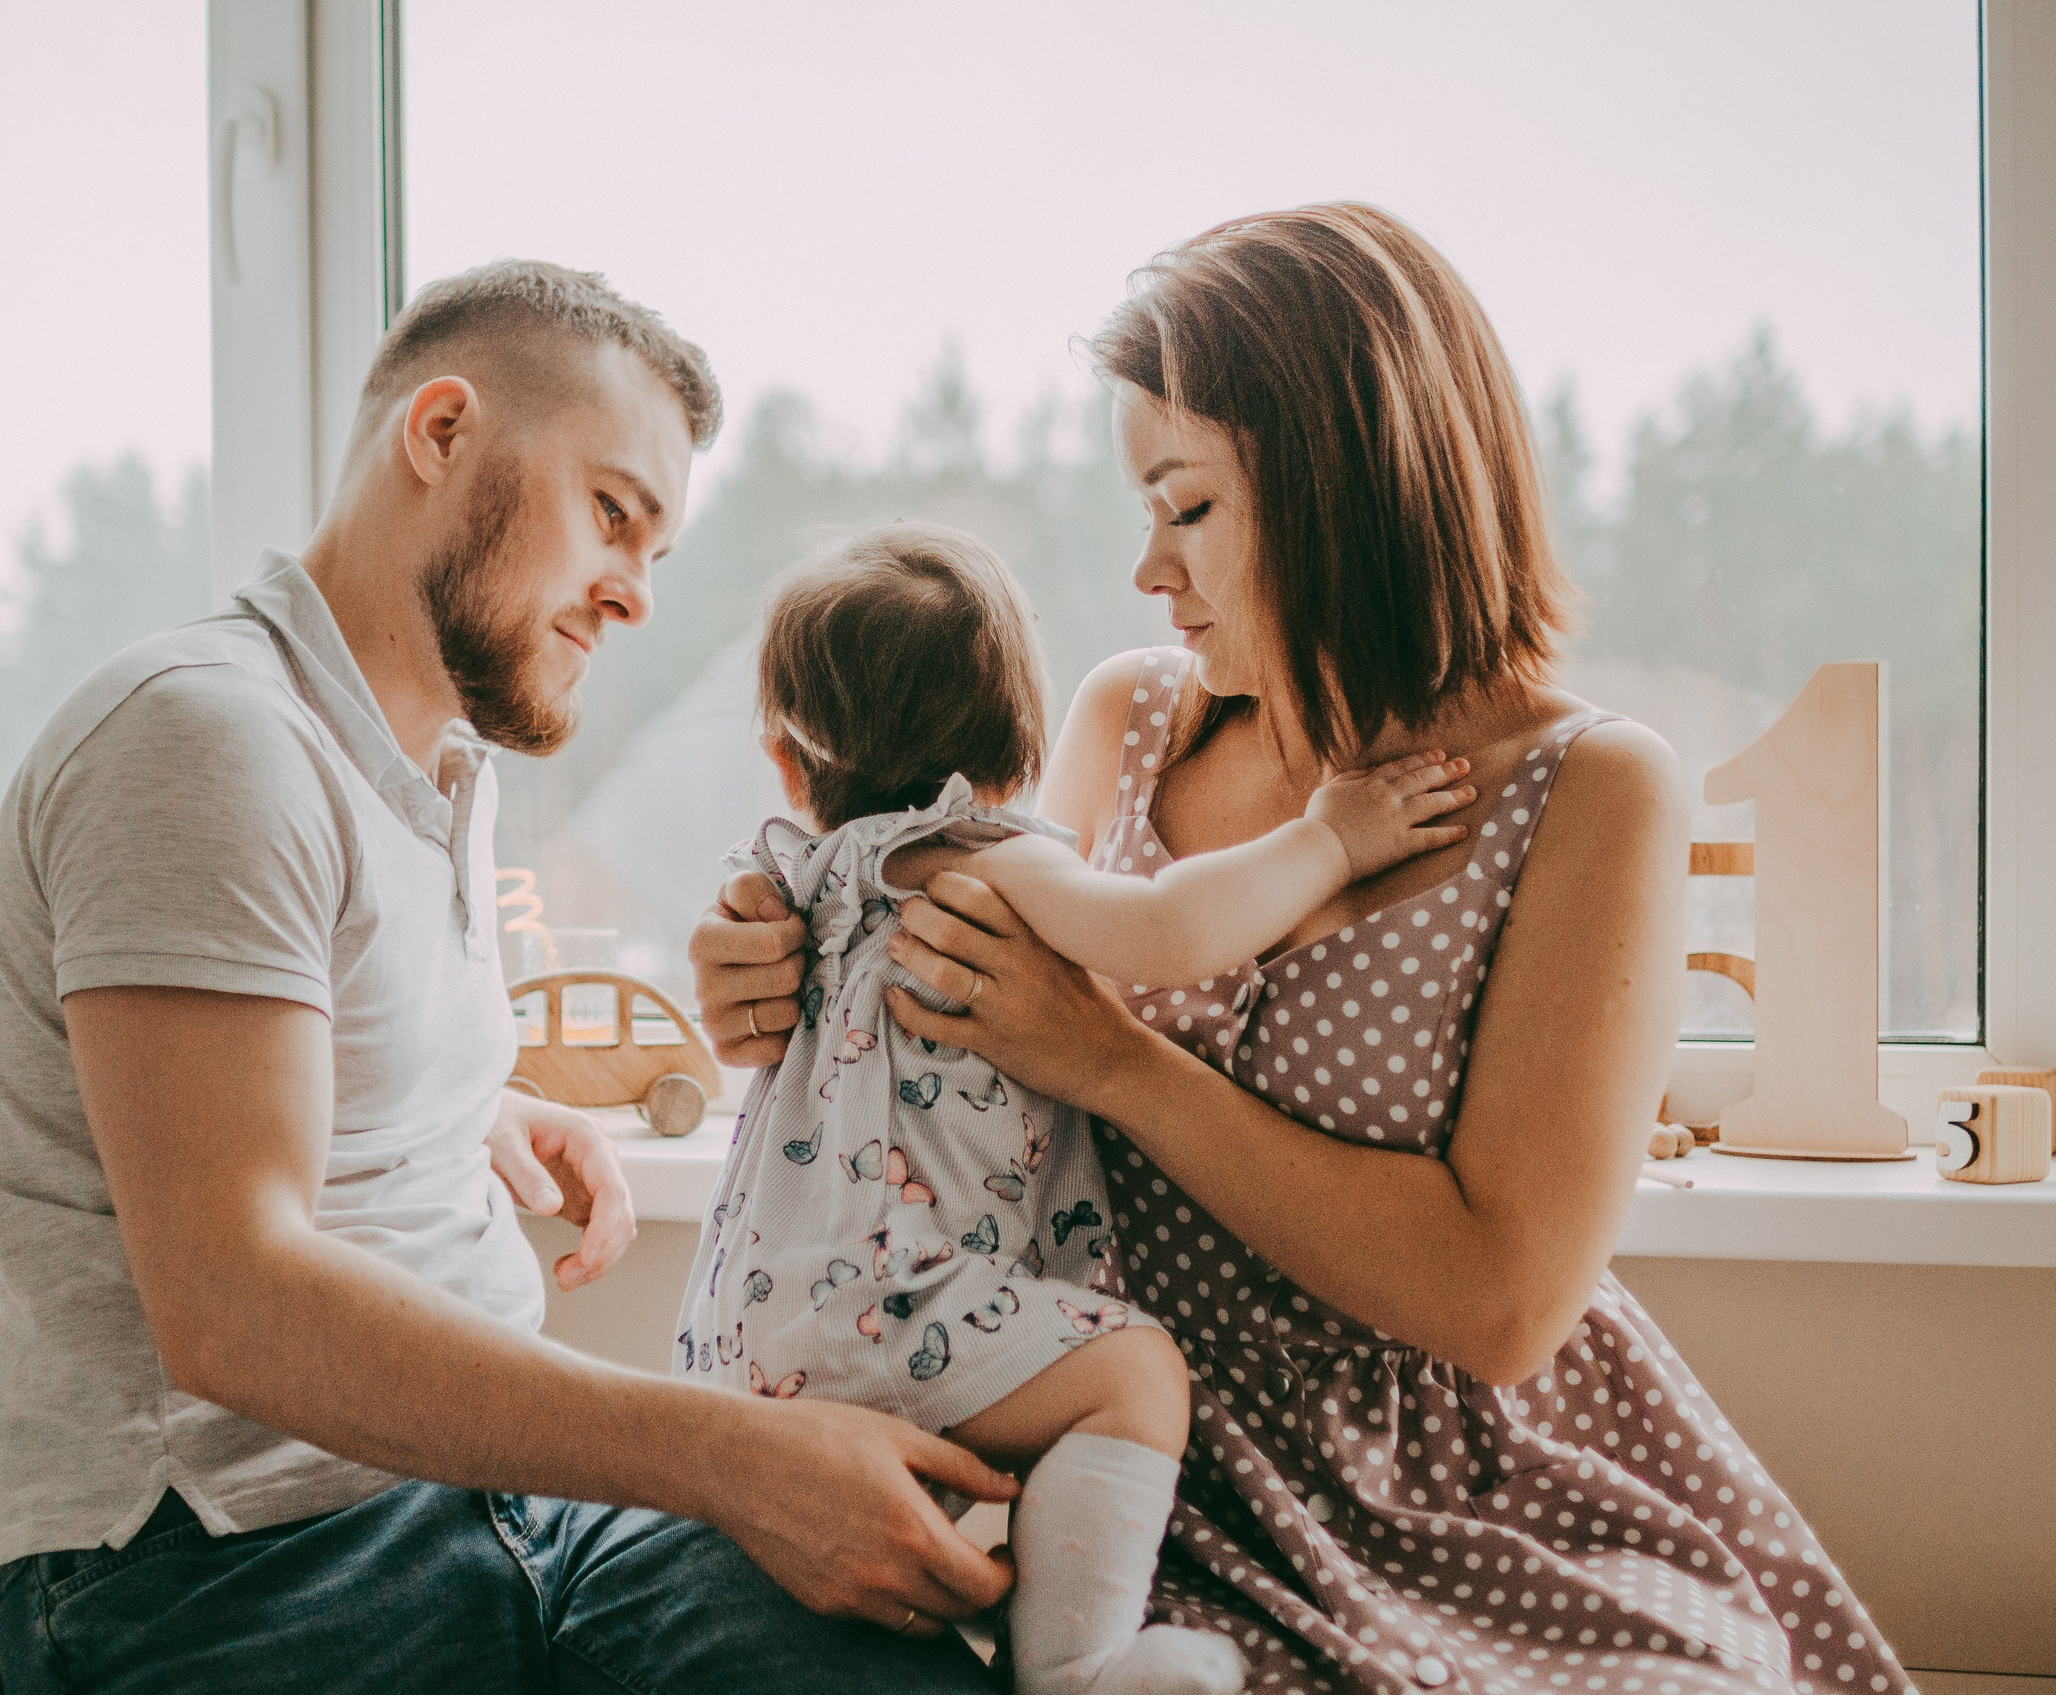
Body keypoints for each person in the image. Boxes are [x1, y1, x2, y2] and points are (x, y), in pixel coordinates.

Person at [691, 206, 1918, 1695]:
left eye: (1189, 506)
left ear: (1349, 495)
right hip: (1119, 1453)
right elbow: (945, 1021)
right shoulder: (1130, 720)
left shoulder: (1589, 790)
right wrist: (767, 974)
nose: (1149, 568)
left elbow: (1503, 1300)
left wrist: (1117, 1065)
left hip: (1449, 1489)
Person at [0, 261, 1024, 1694]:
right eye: (615, 514)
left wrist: (474, 1108)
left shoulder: (438, 764)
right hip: (231, 1558)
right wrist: (731, 1451)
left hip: (513, 1511)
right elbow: (232, 1295)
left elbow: (261, 1076)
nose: (637, 594)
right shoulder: (200, 739)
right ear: (442, 432)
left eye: (656, 550)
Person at [677, 522, 1481, 1695]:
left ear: (788, 765)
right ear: (1021, 737)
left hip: (748, 1333)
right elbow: (1173, 927)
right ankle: (1079, 1669)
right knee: (1136, 1374)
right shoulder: (991, 860)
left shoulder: (803, 880)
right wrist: (1328, 840)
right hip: (896, 1308)